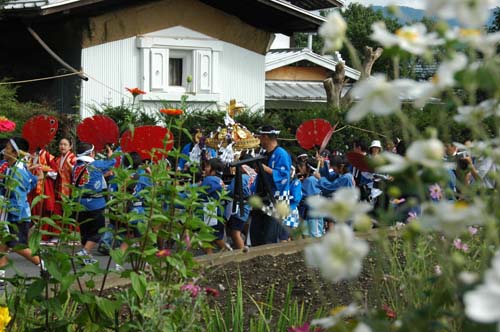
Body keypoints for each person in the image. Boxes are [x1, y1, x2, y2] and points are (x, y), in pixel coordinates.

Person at [0, 137, 46, 287]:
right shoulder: (13, 167)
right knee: (2, 247)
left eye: (7, 148)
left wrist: (5, 206)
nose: (4, 151)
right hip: (11, 215)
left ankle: (44, 267)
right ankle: (1, 279)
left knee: (18, 247)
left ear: (15, 152)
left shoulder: (17, 171)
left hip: (16, 216)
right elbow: (30, 183)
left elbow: (18, 198)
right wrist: (37, 177)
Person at [71, 142, 115, 265]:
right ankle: (85, 252)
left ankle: (86, 257)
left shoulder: (76, 166)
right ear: (91, 153)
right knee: (98, 231)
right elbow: (112, 163)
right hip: (94, 204)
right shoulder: (95, 164)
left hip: (79, 203)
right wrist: (111, 155)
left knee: (85, 231)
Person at [249, 125, 291, 245]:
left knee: (269, 237)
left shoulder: (281, 154)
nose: (259, 140)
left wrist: (265, 169)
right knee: (256, 235)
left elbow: (284, 177)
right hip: (262, 197)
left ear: (266, 137)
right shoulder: (264, 153)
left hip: (276, 199)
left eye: (260, 137)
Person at [115, 152, 152, 271]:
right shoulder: (143, 176)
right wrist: (150, 173)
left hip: (128, 209)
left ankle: (118, 263)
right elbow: (152, 188)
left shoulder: (126, 174)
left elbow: (120, 190)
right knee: (142, 238)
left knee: (128, 237)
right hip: (139, 210)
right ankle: (145, 263)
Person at [314, 154, 355, 231]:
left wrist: (320, 178)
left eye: (334, 167)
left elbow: (330, 187)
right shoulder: (341, 175)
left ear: (341, 166)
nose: (333, 169)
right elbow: (328, 178)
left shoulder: (346, 177)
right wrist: (323, 165)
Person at [199, 158, 227, 254]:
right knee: (215, 238)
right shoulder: (218, 180)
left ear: (213, 170)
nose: (205, 168)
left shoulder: (209, 180)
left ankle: (212, 260)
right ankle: (228, 256)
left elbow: (200, 193)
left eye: (207, 166)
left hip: (210, 212)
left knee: (207, 239)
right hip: (217, 212)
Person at [297, 160, 324, 238]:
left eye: (305, 166)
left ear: (309, 168)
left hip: (313, 209)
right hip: (317, 208)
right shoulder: (315, 178)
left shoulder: (310, 180)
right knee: (316, 232)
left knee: (315, 234)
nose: (303, 167)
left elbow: (304, 194)